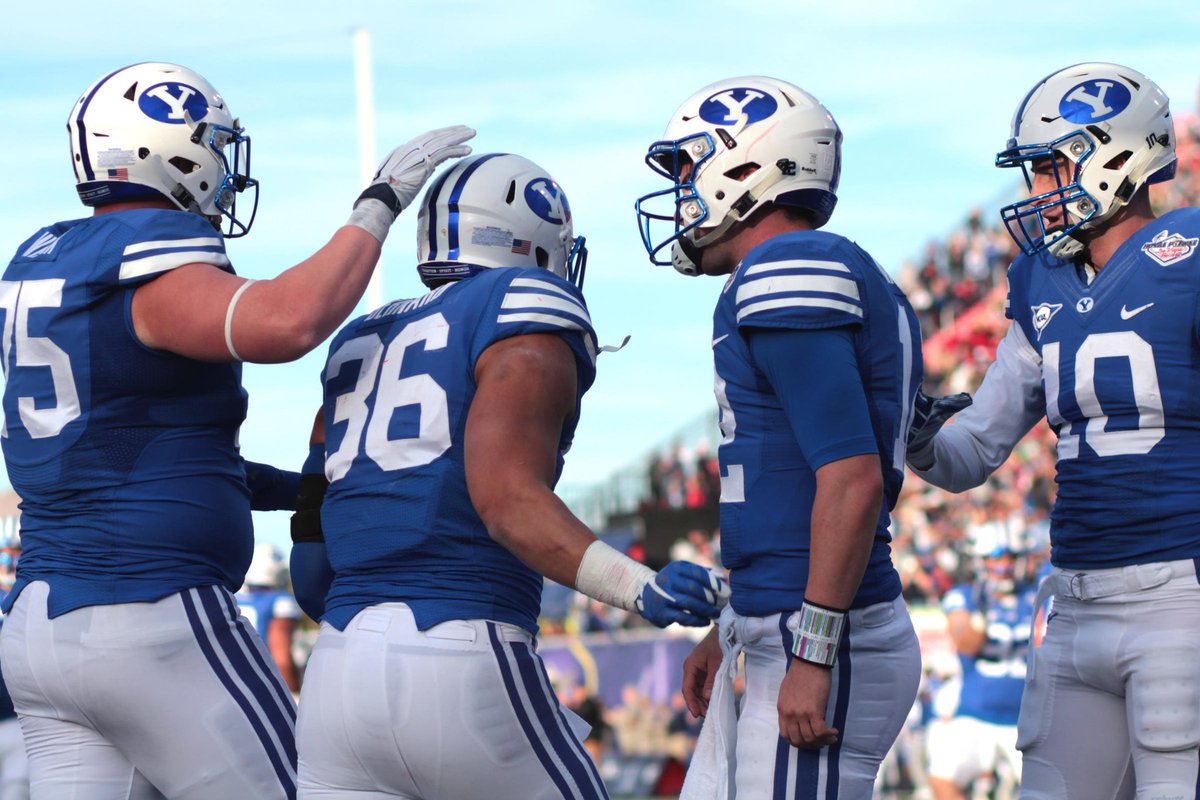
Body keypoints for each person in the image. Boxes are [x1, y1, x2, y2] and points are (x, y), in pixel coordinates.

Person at [0, 61, 473, 799]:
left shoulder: (48, 258)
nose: (224, 166)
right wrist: (377, 207)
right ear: (170, 150)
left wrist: (301, 489)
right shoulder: (145, 251)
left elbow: (135, 450)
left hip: (43, 624)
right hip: (147, 612)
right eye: (214, 145)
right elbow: (288, 322)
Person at [291, 152, 728, 799]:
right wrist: (640, 587)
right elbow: (507, 502)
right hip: (460, 651)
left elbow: (311, 574)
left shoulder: (360, 340)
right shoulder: (522, 302)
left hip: (334, 678)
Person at [907, 62, 1198, 799]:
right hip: (1073, 602)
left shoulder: (1190, 256)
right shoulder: (1041, 279)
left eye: (1048, 167)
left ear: (1113, 157)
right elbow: (973, 449)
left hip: (1180, 597)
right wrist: (913, 433)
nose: (1036, 190)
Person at [635, 75, 924, 798]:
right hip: (792, 620)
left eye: (691, 169)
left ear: (747, 167)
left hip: (825, 628)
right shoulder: (810, 269)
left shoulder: (788, 267)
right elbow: (786, 485)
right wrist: (732, 622)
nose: (682, 194)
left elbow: (851, 478)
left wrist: (814, 652)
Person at [926, 538, 1036, 799]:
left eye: (1010, 558)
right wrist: (983, 614)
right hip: (976, 713)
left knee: (1051, 790)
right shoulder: (967, 596)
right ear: (980, 563)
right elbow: (966, 643)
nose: (1004, 566)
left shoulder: (1036, 595)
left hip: (1028, 717)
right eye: (996, 559)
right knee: (942, 778)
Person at [236, 544, 304, 693]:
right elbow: (281, 659)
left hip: (235, 683)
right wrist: (293, 693)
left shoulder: (233, 599)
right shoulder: (280, 601)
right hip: (266, 685)